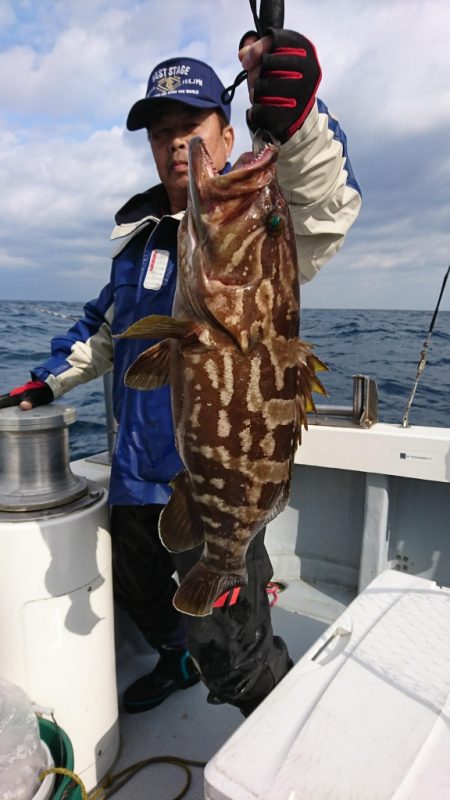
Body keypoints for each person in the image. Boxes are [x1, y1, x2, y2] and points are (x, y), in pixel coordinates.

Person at [0, 29, 361, 717]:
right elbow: (104, 330)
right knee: (141, 594)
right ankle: (175, 659)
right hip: (135, 477)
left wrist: (297, 122)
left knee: (233, 646)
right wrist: (43, 382)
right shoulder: (142, 243)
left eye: (190, 125)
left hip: (212, 490)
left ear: (226, 133)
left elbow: (325, 202)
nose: (174, 143)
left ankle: (271, 722)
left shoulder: (260, 225)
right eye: (160, 131)